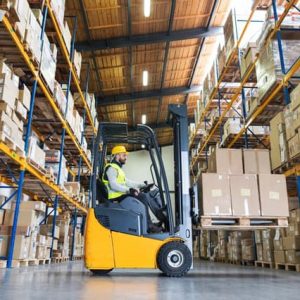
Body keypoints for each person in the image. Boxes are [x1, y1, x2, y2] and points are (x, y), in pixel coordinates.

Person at [102, 145, 162, 233]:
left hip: (120, 194)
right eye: (124, 155)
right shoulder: (111, 168)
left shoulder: (118, 169)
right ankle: (148, 225)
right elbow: (113, 185)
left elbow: (128, 182)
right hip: (115, 197)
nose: (126, 157)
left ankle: (148, 223)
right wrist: (129, 190)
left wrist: (142, 185)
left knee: (144, 196)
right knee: (142, 197)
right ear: (117, 155)